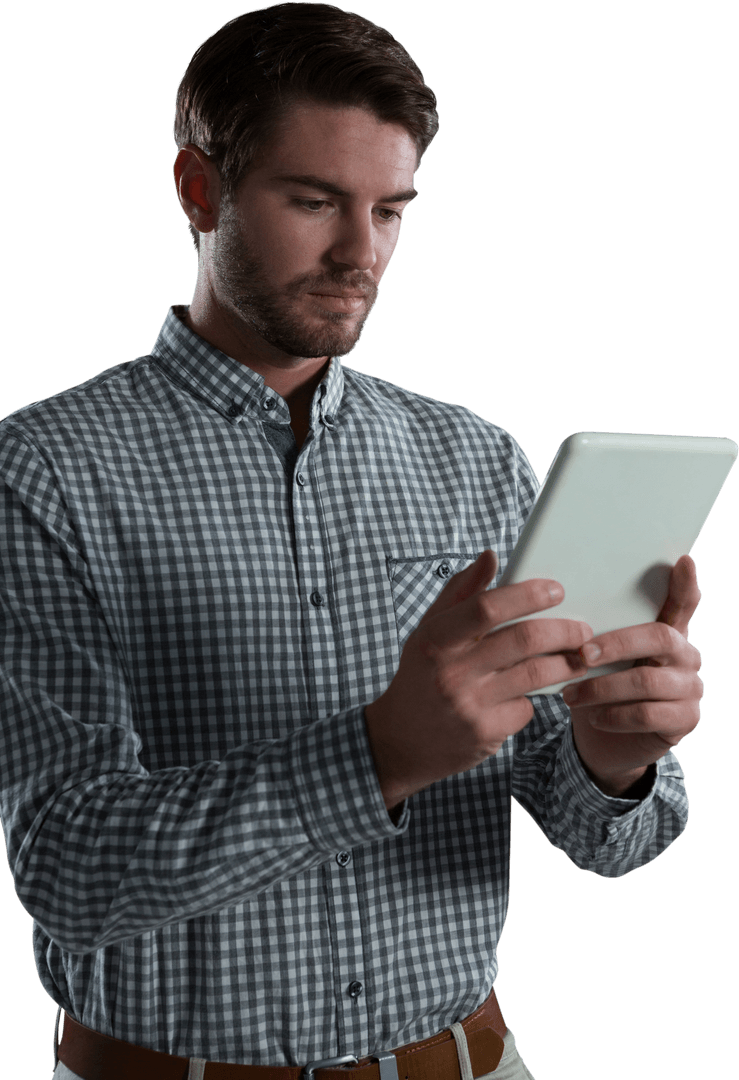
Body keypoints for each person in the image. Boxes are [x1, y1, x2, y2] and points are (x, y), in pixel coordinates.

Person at [0, 4, 703, 1079]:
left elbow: (600, 838)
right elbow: (65, 867)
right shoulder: (43, 472)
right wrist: (379, 754)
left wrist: (615, 763)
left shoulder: (472, 457)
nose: (358, 251)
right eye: (314, 201)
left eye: (390, 210)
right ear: (200, 190)